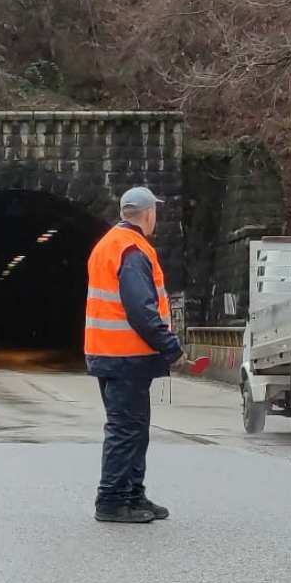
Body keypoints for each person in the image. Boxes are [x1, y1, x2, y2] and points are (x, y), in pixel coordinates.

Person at [84, 186, 183, 524]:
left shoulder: (108, 244)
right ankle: (112, 500)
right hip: (126, 355)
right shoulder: (133, 250)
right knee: (126, 430)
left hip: (111, 353)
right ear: (148, 214)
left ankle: (132, 495)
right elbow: (140, 308)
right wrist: (168, 344)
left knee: (133, 429)